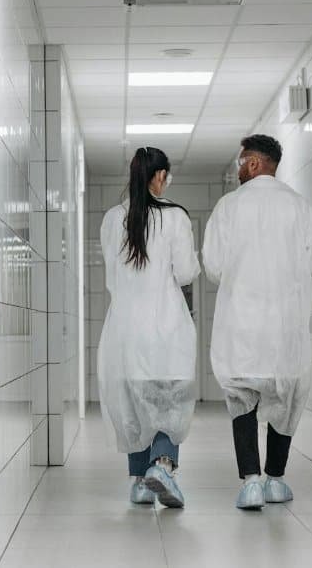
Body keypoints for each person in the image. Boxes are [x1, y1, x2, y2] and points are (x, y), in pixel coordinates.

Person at [203, 134, 312, 510]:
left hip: (242, 323)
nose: (238, 170)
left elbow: (213, 267)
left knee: (242, 398)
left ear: (255, 163)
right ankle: (276, 478)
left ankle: (251, 482)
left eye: (240, 162)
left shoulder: (228, 207)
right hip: (286, 325)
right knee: (287, 397)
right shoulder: (300, 207)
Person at [98, 147, 201, 508]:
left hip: (125, 328)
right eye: (166, 176)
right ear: (159, 177)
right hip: (166, 325)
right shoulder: (175, 217)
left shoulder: (113, 219)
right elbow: (186, 272)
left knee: (134, 405)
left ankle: (140, 482)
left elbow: (112, 277)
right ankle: (162, 465)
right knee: (167, 401)